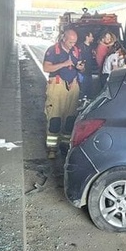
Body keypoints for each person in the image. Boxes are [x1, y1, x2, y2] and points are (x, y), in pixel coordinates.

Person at [41, 28, 84, 159]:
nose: (72, 44)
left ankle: (65, 146)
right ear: (63, 39)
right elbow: (46, 67)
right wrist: (64, 64)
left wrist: (81, 67)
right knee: (55, 117)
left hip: (73, 86)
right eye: (70, 42)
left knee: (70, 118)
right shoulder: (53, 50)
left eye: (74, 42)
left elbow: (82, 66)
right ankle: (52, 148)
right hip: (57, 85)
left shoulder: (76, 50)